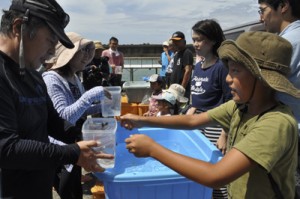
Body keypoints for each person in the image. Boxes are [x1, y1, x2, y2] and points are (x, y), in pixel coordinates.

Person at [121, 31, 300, 199]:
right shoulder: (240, 107)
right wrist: (142, 121)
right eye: (229, 70)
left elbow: (216, 175)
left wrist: (153, 149)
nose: (228, 78)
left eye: (236, 71)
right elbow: (193, 120)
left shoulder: (276, 123)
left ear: (261, 79)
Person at [0, 0, 113, 199]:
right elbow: (7, 148)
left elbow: (52, 121)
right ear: (19, 27)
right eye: (50, 41)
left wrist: (89, 139)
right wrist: (73, 153)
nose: (52, 52)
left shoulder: (33, 75)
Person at [42, 32, 110, 199]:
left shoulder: (73, 77)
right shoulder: (52, 79)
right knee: (68, 191)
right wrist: (90, 96)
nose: (87, 56)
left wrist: (102, 106)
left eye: (89, 51)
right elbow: (63, 118)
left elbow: (80, 110)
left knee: (75, 190)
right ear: (67, 54)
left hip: (75, 143)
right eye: (82, 51)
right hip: (60, 147)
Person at [258, 0, 300, 194]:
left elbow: (264, 87)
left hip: (291, 131)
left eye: (263, 10)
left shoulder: (285, 45)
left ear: (283, 6)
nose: (261, 17)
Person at [187, 19, 232, 199]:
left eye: (200, 39)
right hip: (197, 126)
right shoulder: (197, 67)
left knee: (217, 176)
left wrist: (225, 134)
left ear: (213, 40)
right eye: (194, 39)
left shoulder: (221, 67)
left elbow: (230, 102)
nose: (196, 44)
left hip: (216, 126)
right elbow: (197, 97)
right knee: (199, 171)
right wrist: (192, 108)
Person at [169, 31, 194, 99]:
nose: (175, 43)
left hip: (180, 90)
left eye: (177, 41)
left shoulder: (187, 53)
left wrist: (182, 89)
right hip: (173, 89)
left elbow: (188, 71)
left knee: (182, 109)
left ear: (183, 41)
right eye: (174, 41)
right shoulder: (177, 54)